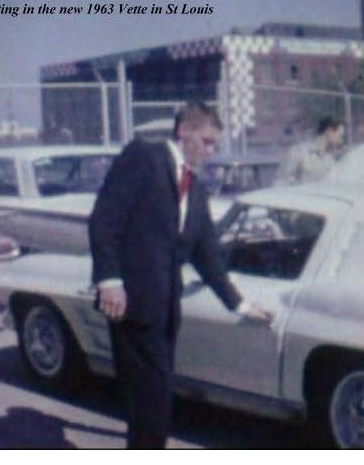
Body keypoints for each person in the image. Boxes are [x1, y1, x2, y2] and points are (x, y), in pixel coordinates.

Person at [88, 101, 272, 449]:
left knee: (151, 399)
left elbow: (209, 257)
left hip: (165, 309)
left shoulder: (196, 190)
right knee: (152, 398)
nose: (211, 150)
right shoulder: (144, 157)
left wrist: (241, 304)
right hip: (130, 303)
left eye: (214, 144)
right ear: (184, 131)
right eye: (206, 141)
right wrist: (109, 280)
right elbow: (104, 219)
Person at [276, 117, 345, 184]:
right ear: (329, 131)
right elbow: (281, 181)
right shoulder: (299, 151)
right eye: (340, 135)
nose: (341, 141)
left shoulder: (331, 161)